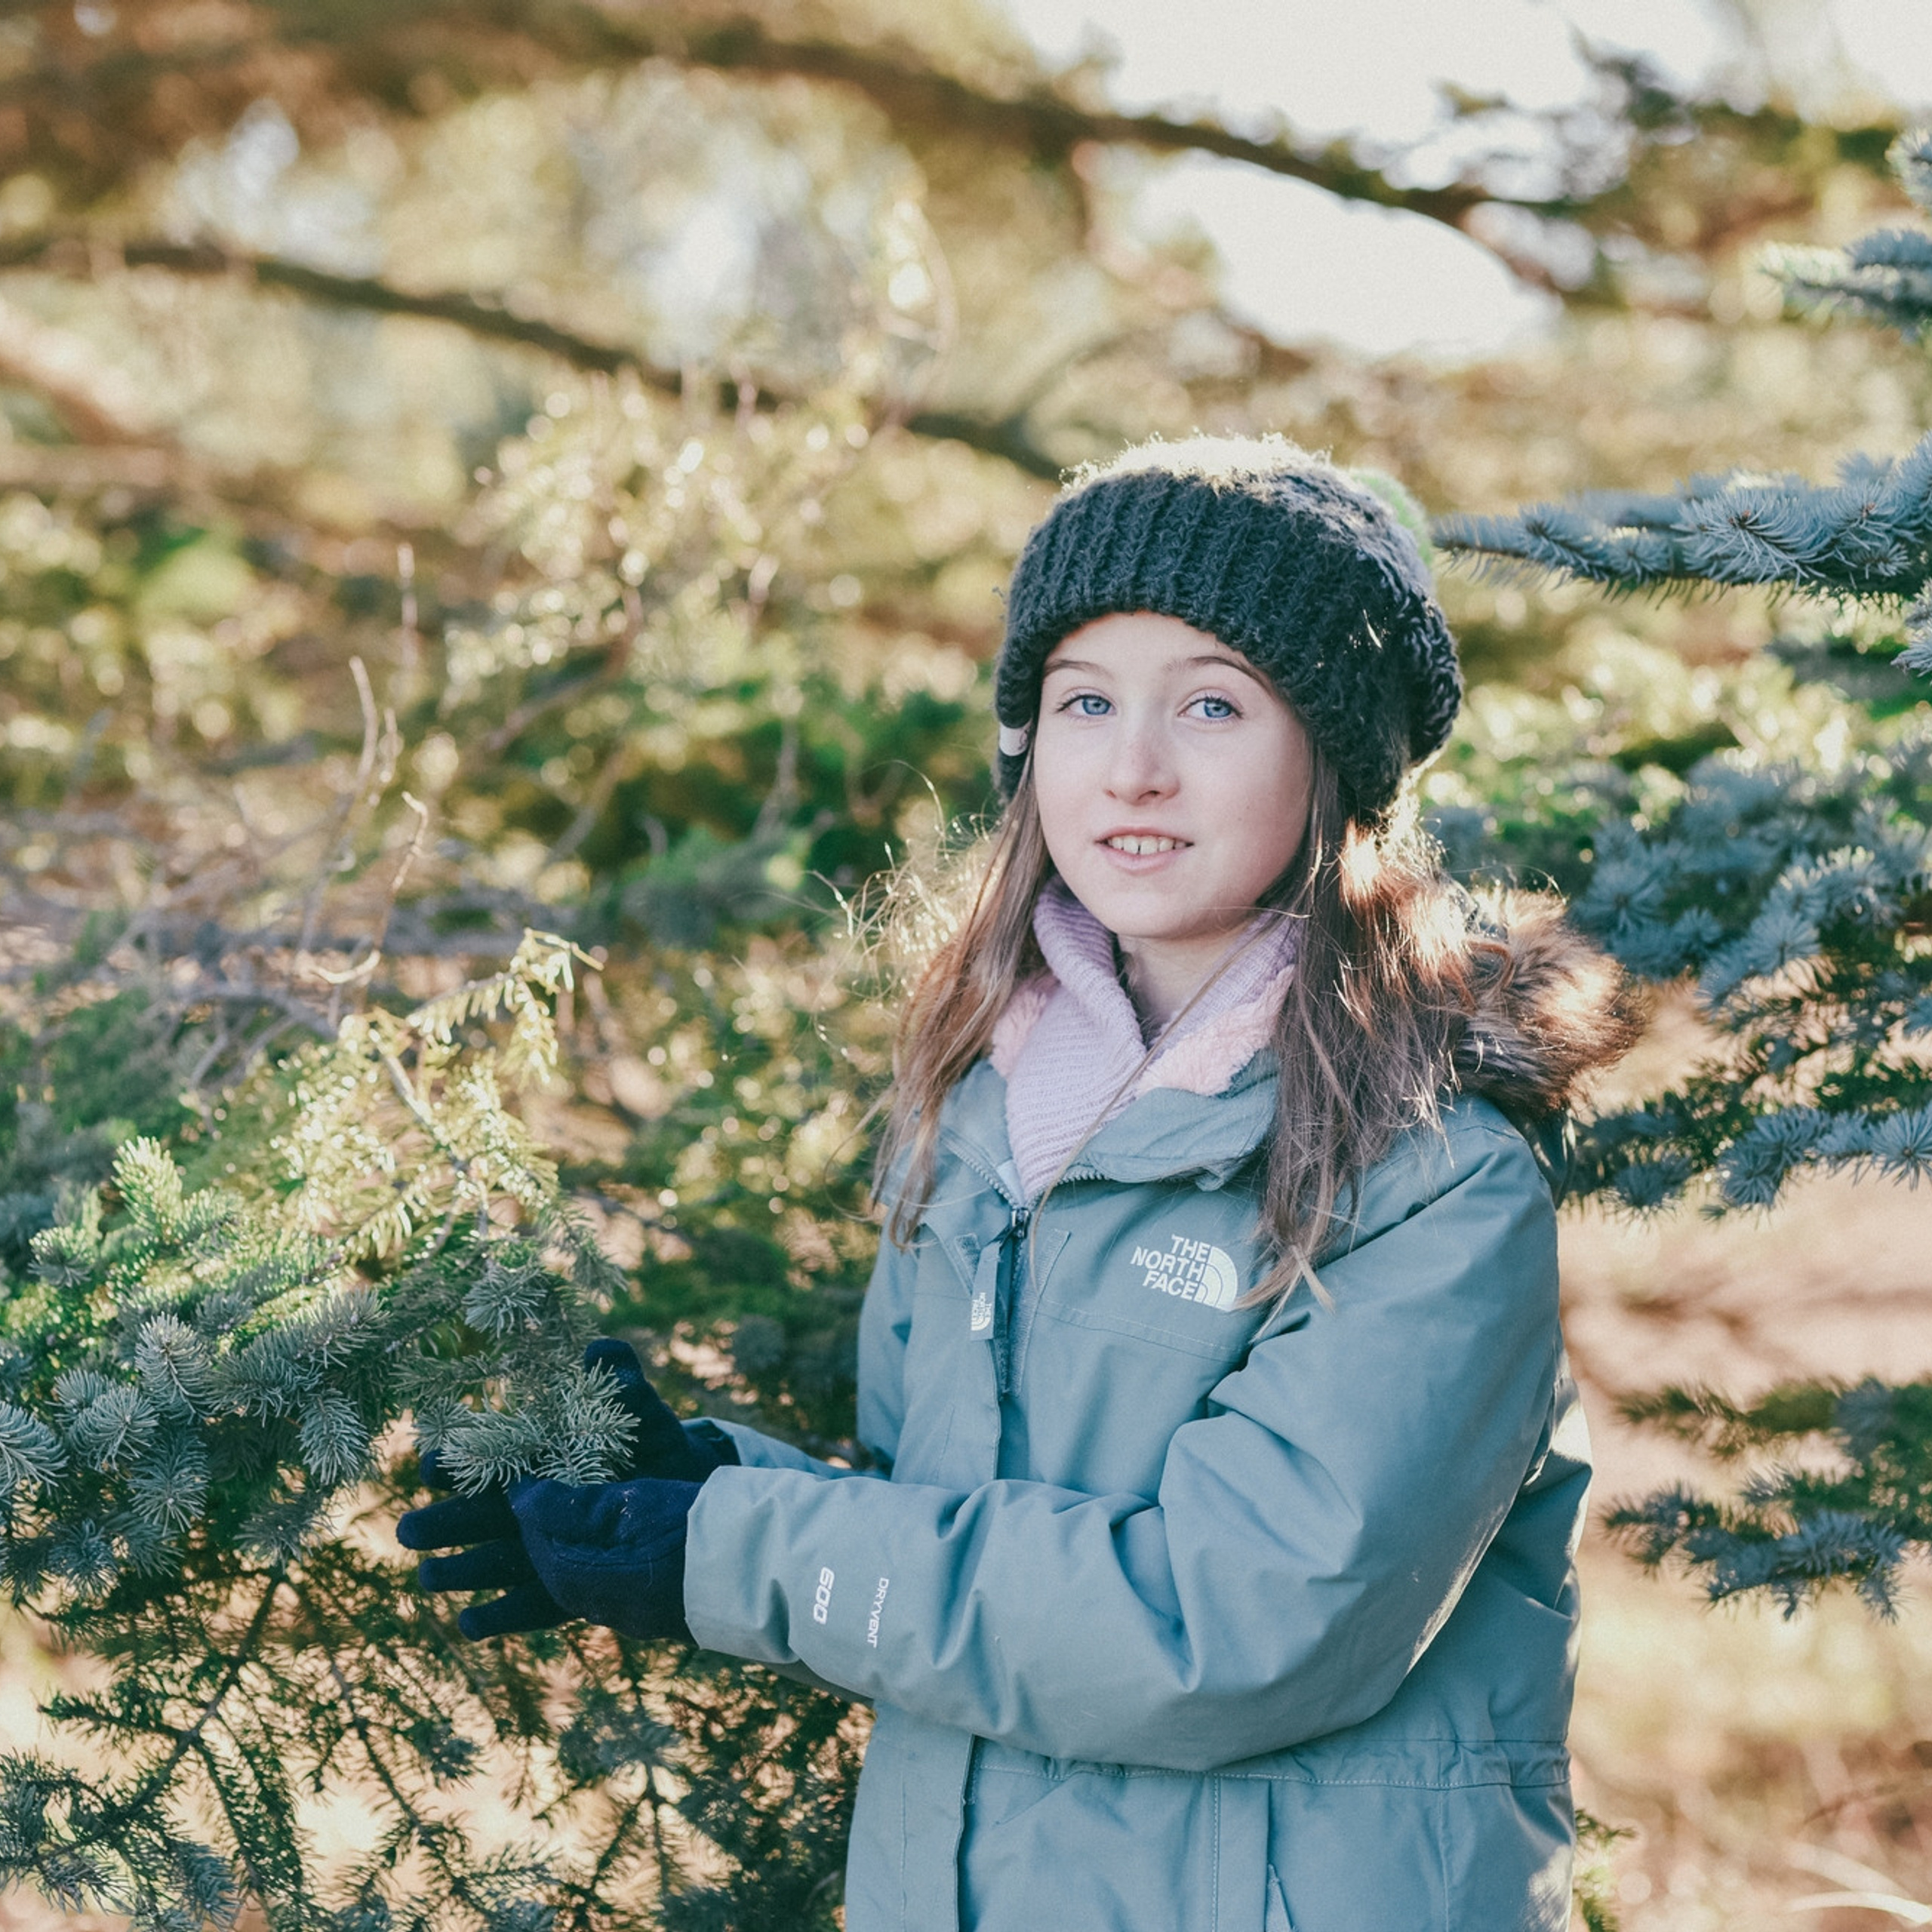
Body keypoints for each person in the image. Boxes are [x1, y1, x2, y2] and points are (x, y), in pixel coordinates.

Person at [399, 437, 1641, 1932]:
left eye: (1209, 702)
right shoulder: (979, 1108)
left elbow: (1230, 1620)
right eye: (1082, 700)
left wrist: (731, 1556)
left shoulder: (1431, 1168)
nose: (1131, 763)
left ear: (1333, 757)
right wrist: (711, 1494)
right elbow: (965, 1543)